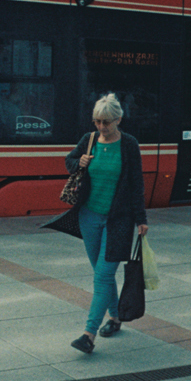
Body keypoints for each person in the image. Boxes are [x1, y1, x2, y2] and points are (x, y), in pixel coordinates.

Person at [60, 93, 149, 354]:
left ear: (119, 119)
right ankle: (116, 317)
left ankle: (88, 334)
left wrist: (141, 219)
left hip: (118, 220)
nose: (101, 127)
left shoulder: (129, 145)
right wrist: (80, 162)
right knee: (102, 274)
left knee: (102, 275)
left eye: (107, 122)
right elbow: (69, 161)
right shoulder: (89, 141)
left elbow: (137, 185)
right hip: (88, 216)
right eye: (97, 121)